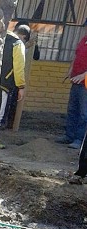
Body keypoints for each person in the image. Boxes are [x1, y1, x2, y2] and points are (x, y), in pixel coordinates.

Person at [0, 24, 29, 150]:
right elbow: (18, 68)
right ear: (23, 36)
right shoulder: (18, 44)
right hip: (4, 84)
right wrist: (21, 86)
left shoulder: (0, 37)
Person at [55, 19, 87, 150]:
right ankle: (69, 135)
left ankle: (79, 139)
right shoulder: (83, 40)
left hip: (85, 83)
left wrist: (84, 75)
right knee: (72, 109)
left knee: (84, 112)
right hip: (76, 80)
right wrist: (70, 70)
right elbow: (76, 56)